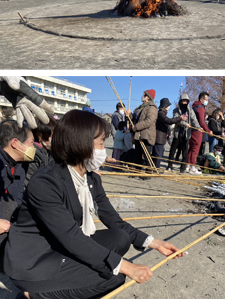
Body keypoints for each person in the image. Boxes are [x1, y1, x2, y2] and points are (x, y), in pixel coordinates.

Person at [4, 110, 183, 299]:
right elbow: (71, 236)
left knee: (120, 237)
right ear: (80, 143)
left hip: (60, 245)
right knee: (114, 277)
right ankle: (32, 295)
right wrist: (124, 266)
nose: (103, 151)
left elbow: (115, 221)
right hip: (35, 259)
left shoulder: (89, 179)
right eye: (100, 144)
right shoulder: (46, 182)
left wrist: (155, 243)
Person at [0, 120, 36, 272]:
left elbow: (18, 197)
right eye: (31, 143)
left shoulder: (21, 164)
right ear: (15, 143)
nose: (34, 148)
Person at [167, 93, 200, 173]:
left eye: (186, 101)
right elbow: (176, 119)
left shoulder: (190, 110)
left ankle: (183, 168)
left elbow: (194, 120)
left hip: (186, 135)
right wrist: (185, 124)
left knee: (185, 152)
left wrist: (198, 127)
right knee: (172, 151)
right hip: (177, 134)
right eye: (183, 101)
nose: (184, 103)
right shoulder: (176, 110)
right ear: (180, 101)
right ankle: (169, 166)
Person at [152, 98, 186, 169]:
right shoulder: (160, 114)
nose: (168, 107)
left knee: (159, 155)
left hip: (162, 138)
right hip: (159, 139)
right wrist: (179, 118)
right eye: (168, 105)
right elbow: (168, 121)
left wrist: (168, 132)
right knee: (158, 156)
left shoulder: (162, 114)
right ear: (164, 106)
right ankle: (155, 169)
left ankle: (155, 168)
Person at [132, 90, 158, 174]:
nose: (142, 96)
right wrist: (129, 115)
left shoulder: (152, 107)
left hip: (146, 134)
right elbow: (136, 118)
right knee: (137, 154)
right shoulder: (140, 107)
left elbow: (149, 121)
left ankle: (148, 173)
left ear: (148, 97)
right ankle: (137, 171)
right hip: (138, 134)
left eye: (144, 95)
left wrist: (137, 127)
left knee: (147, 155)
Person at [187, 92, 212, 174]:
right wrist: (208, 130)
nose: (207, 101)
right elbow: (201, 121)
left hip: (192, 130)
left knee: (191, 148)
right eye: (206, 99)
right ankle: (193, 167)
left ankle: (188, 165)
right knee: (195, 150)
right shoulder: (201, 108)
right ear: (201, 99)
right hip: (197, 131)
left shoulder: (194, 106)